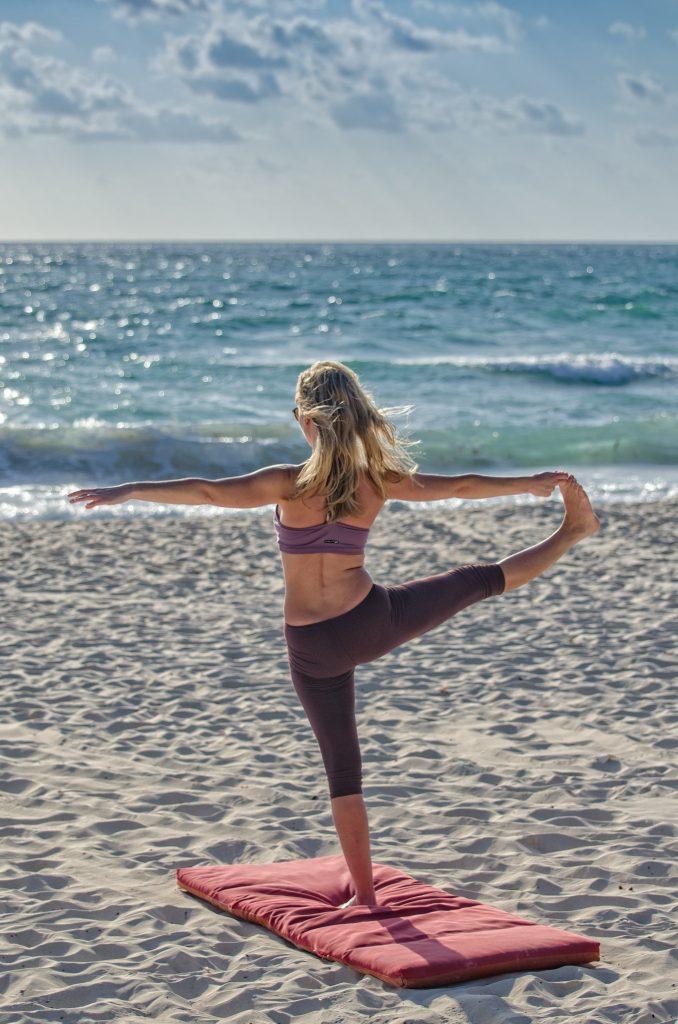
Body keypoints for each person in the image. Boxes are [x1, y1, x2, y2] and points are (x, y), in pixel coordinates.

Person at [67, 359, 600, 910]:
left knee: (342, 771)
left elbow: (206, 492)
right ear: (358, 417)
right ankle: (571, 533)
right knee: (477, 581)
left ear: (304, 419)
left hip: (310, 648)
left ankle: (365, 896)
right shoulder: (376, 483)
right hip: (371, 622)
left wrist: (129, 489)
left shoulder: (285, 483)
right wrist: (529, 482)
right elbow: (460, 486)